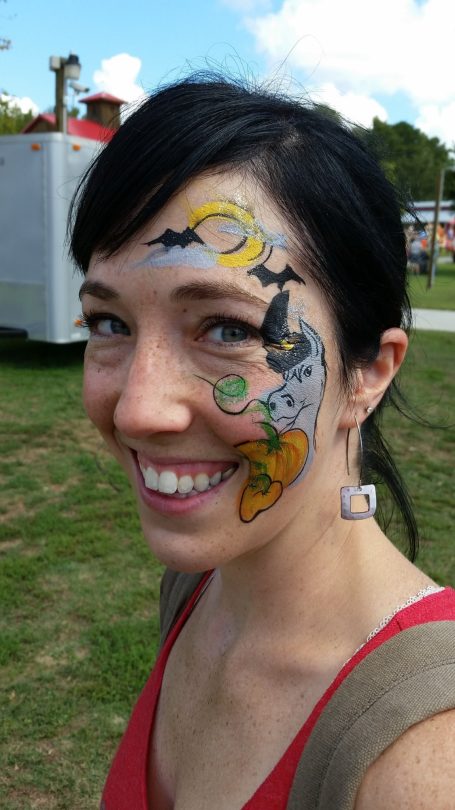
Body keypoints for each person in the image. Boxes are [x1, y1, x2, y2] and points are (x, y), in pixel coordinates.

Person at [69, 74, 455, 810]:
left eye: (228, 329)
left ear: (369, 371)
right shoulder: (197, 590)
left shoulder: (424, 759)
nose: (138, 409)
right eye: (109, 323)